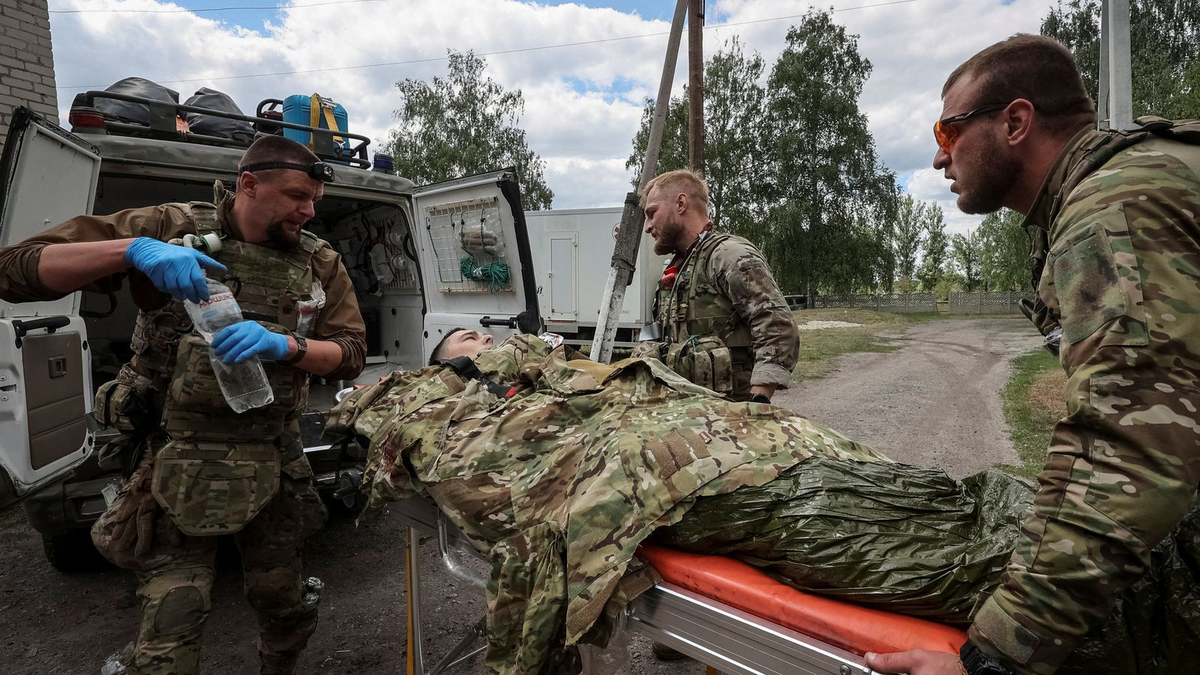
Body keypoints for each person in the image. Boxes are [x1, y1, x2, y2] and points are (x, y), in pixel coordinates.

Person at [330, 332, 1197, 675]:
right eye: (466, 341)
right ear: (453, 359)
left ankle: (1145, 554)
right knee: (930, 540)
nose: (483, 340)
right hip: (693, 479)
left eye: (485, 333)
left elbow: (675, 374)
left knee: (960, 498)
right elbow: (437, 442)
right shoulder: (454, 399)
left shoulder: (566, 359)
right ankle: (1142, 585)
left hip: (749, 441)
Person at [866, 35, 1200, 675]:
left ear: (1015, 122)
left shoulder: (1112, 211)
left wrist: (995, 657)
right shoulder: (1144, 175)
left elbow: (1130, 452)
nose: (940, 158)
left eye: (948, 130)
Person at [0, 135, 367, 674]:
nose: (308, 211)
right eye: (295, 196)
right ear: (248, 184)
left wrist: (287, 346)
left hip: (271, 453)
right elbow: (14, 268)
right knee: (173, 622)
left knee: (283, 604)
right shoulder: (171, 228)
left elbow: (351, 353)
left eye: (313, 200)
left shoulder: (319, 262)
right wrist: (132, 251)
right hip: (174, 455)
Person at [636, 169, 799, 403]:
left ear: (681, 203)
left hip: (729, 417)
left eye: (652, 213)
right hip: (689, 414)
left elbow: (777, 326)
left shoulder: (727, 255)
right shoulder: (681, 267)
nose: (648, 226)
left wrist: (758, 402)